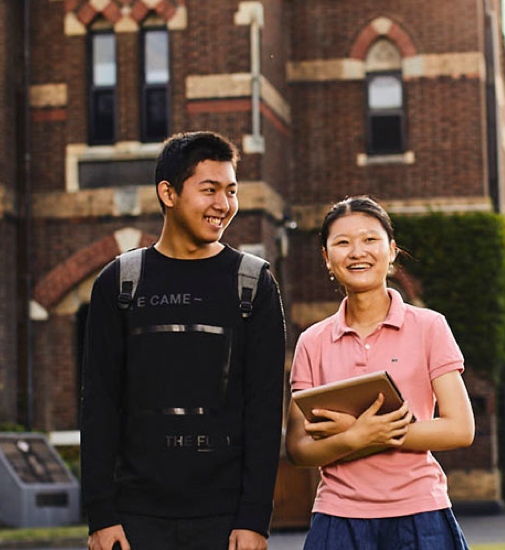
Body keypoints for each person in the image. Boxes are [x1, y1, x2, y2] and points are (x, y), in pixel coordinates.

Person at [81, 131, 285, 550]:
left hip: (225, 521)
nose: (223, 205)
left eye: (231, 191)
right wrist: (101, 514)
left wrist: (255, 519)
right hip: (135, 520)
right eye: (208, 190)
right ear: (168, 193)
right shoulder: (120, 282)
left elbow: (264, 410)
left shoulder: (252, 284)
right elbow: (99, 403)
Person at [285, 196, 475, 550]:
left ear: (391, 251)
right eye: (342, 242)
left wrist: (377, 433)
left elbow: (460, 428)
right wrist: (354, 439)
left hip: (421, 514)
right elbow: (297, 448)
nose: (357, 252)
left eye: (370, 239)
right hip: (339, 519)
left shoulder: (430, 327)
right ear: (327, 258)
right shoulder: (312, 341)